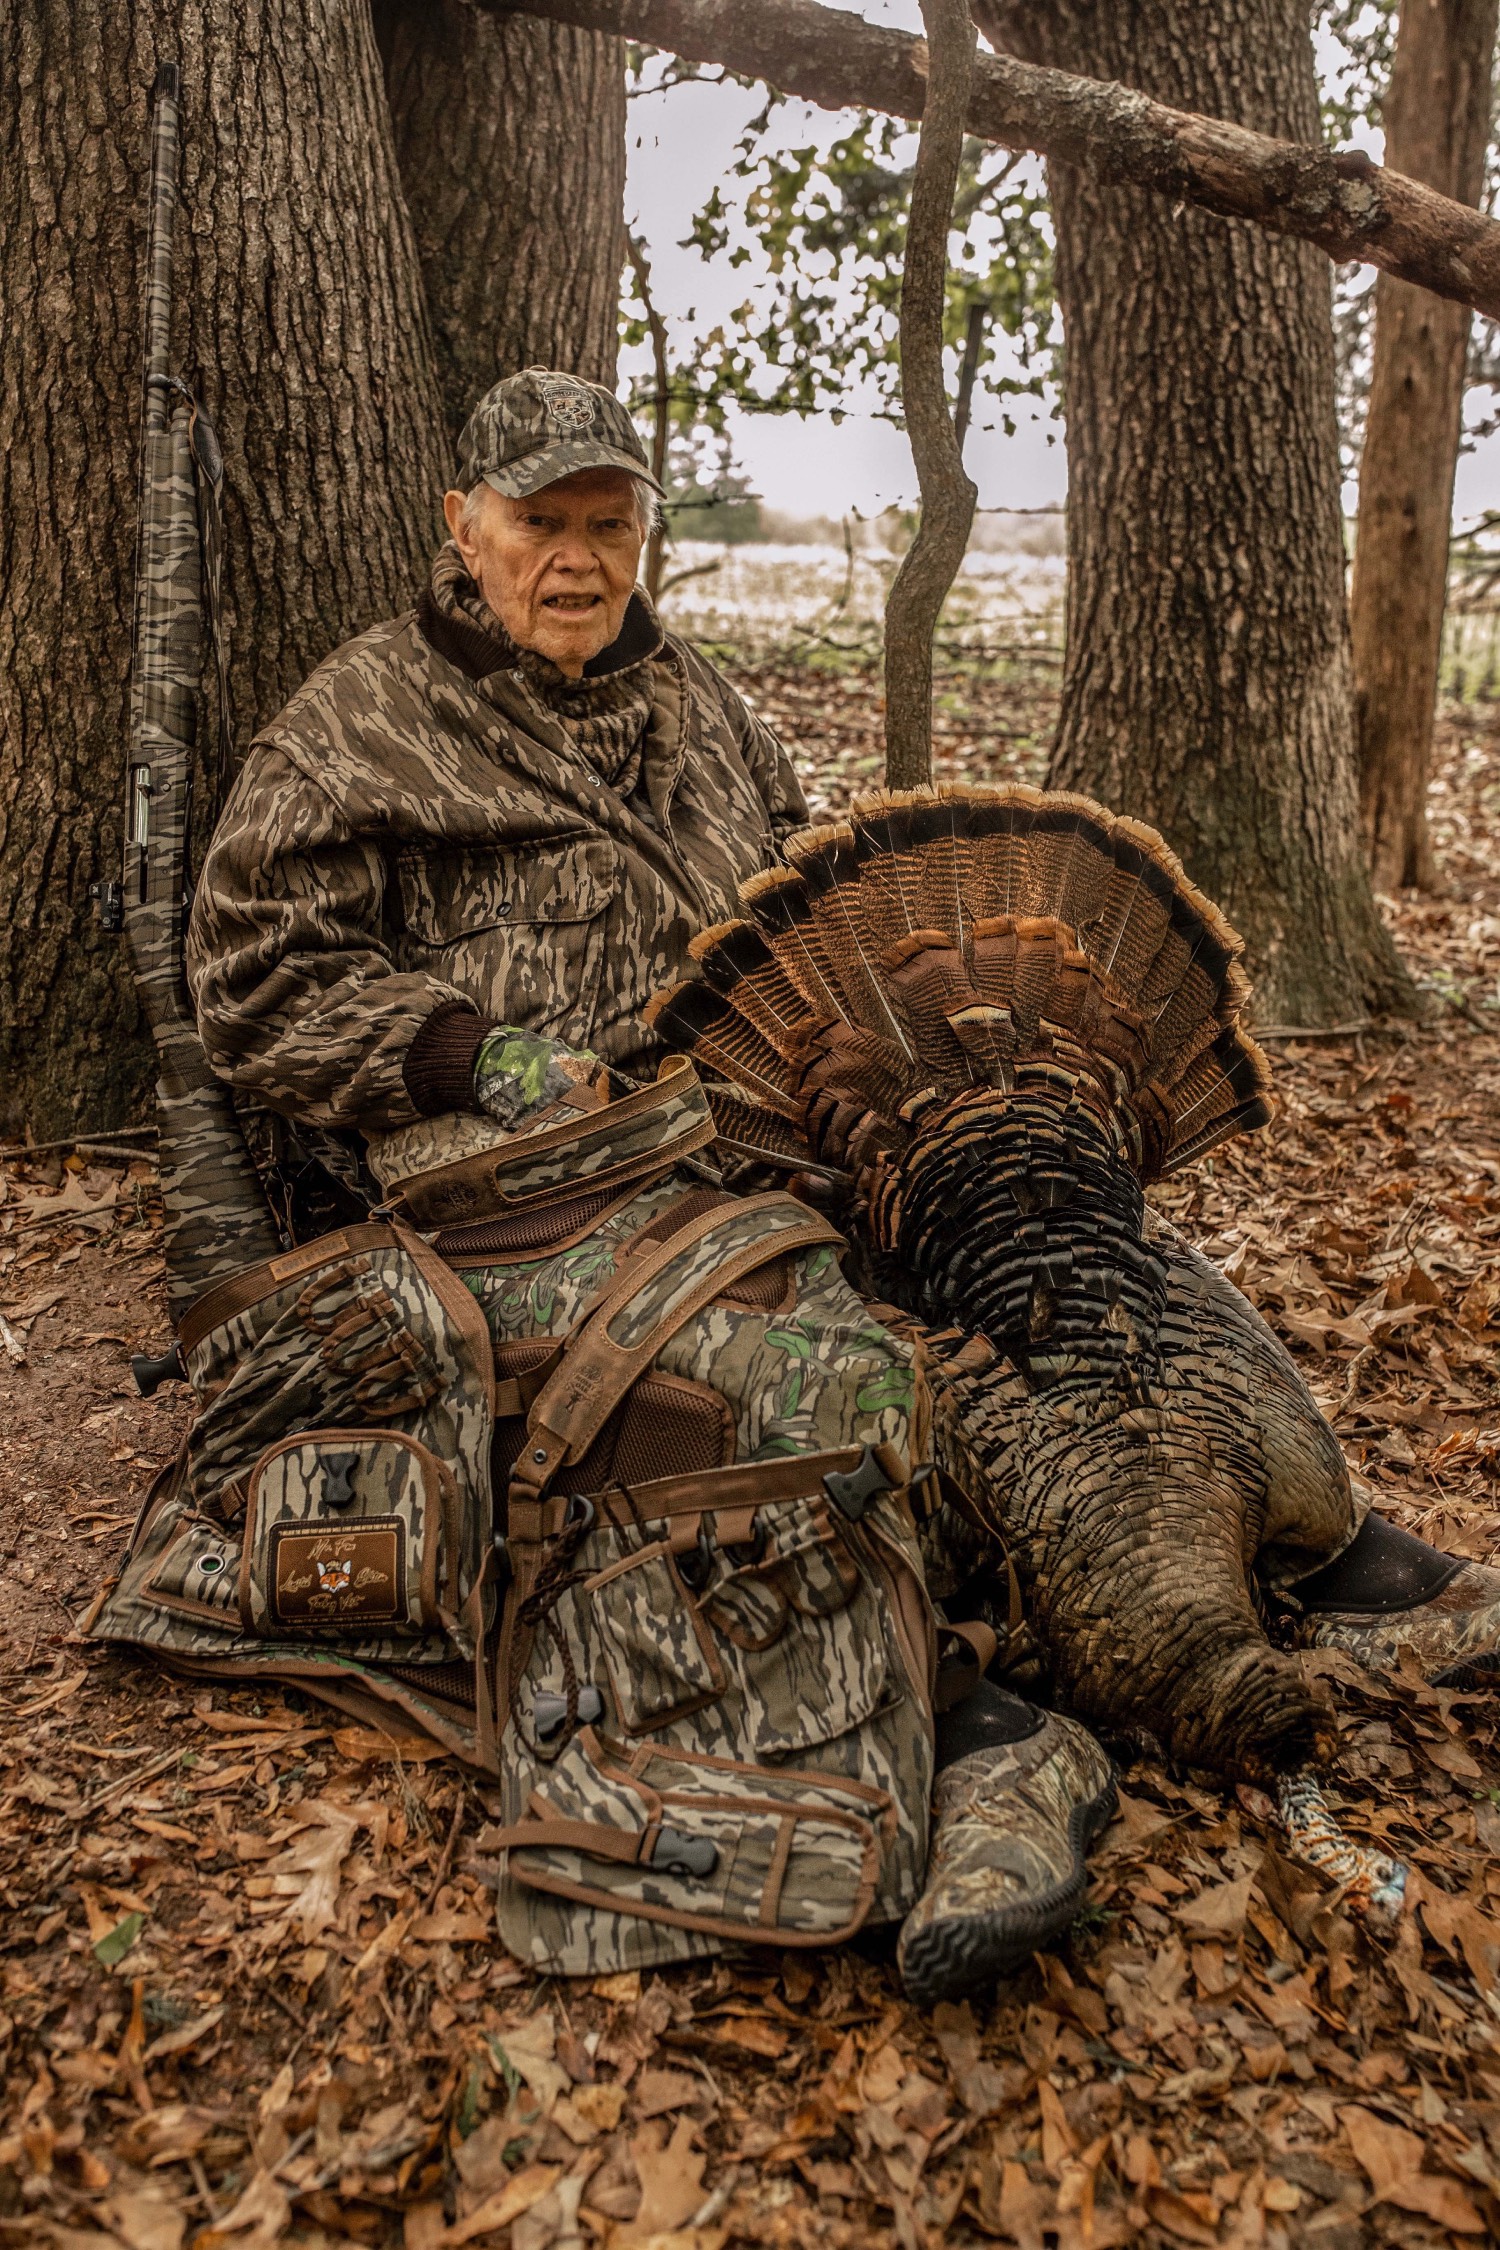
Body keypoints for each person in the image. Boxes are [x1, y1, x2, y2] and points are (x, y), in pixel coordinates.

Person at [187, 367, 1500, 1994]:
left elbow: (804, 886)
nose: (579, 558)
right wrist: (474, 1054)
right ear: (465, 526)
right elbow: (250, 982)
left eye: (611, 523)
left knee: (1077, 1244)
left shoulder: (704, 707)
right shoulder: (355, 722)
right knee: (811, 1363)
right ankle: (973, 1731)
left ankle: (1334, 1555)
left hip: (756, 1138)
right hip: (518, 1177)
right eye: (542, 523)